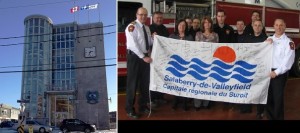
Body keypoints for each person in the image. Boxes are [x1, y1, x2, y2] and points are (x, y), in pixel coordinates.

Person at [125, 7, 153, 119]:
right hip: (135, 58)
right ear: (137, 15)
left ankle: (142, 106)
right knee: (132, 85)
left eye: (145, 15)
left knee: (144, 84)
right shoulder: (132, 27)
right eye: (141, 14)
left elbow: (148, 42)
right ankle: (129, 109)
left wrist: (154, 38)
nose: (143, 17)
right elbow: (132, 45)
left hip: (144, 57)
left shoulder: (146, 28)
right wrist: (143, 57)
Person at [265, 19, 295, 120]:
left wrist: (276, 72)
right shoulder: (268, 39)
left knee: (278, 99)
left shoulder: (289, 42)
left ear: (285, 27)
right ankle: (270, 117)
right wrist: (265, 44)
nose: (278, 27)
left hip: (279, 74)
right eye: (277, 25)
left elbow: (288, 62)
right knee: (268, 98)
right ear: (273, 26)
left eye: (281, 25)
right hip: (267, 72)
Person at [241, 20, 268, 119]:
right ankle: (246, 108)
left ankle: (260, 111)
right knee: (248, 88)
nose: (257, 27)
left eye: (259, 25)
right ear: (252, 26)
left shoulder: (266, 40)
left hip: (260, 69)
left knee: (260, 90)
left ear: (262, 27)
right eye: (255, 25)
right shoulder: (247, 38)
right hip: (249, 68)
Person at [194, 16, 219, 111]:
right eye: (205, 22)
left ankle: (206, 103)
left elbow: (216, 49)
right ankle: (197, 104)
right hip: (200, 62)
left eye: (208, 22)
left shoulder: (215, 35)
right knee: (199, 83)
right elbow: (196, 48)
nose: (207, 24)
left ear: (211, 24)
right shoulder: (198, 34)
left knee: (208, 83)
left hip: (211, 62)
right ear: (203, 24)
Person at [169, 19, 193, 111]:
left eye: (184, 25)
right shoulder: (172, 36)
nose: (182, 27)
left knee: (185, 83)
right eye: (180, 25)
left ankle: (184, 103)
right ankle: (175, 101)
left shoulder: (190, 37)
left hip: (186, 63)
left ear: (186, 27)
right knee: (176, 83)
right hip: (175, 63)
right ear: (177, 26)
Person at [149, 11, 169, 107]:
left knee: (161, 78)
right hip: (153, 58)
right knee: (153, 78)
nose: (159, 19)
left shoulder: (165, 29)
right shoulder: (149, 29)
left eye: (161, 17)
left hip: (162, 58)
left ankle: (160, 97)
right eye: (157, 17)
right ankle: (152, 99)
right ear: (153, 18)